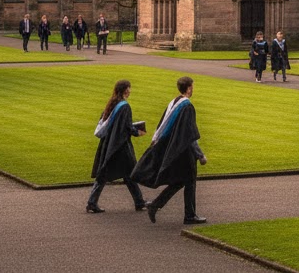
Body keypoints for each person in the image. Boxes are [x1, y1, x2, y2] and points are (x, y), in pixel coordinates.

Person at [134, 75, 208, 225]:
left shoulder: (174, 102)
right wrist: (200, 155)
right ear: (188, 88)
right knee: (190, 181)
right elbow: (189, 134)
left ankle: (156, 205)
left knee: (180, 181)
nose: (193, 89)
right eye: (192, 87)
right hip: (184, 150)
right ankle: (189, 215)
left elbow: (162, 125)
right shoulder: (187, 106)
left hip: (174, 148)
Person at [86, 78, 147, 213]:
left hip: (108, 144)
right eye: (129, 88)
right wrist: (138, 132)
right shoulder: (124, 106)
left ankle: (139, 201)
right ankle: (139, 202)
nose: (130, 91)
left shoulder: (111, 104)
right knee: (128, 173)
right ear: (126, 90)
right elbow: (127, 126)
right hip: (121, 146)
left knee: (107, 174)